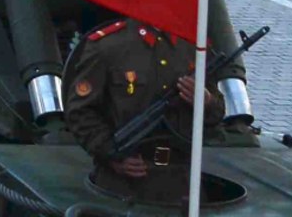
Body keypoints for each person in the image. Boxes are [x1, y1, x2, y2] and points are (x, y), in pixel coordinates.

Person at [64, 18, 223, 204]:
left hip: (180, 182)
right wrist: (110, 153)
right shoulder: (108, 46)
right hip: (124, 185)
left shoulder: (193, 46)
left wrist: (207, 101)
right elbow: (80, 111)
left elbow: (217, 112)